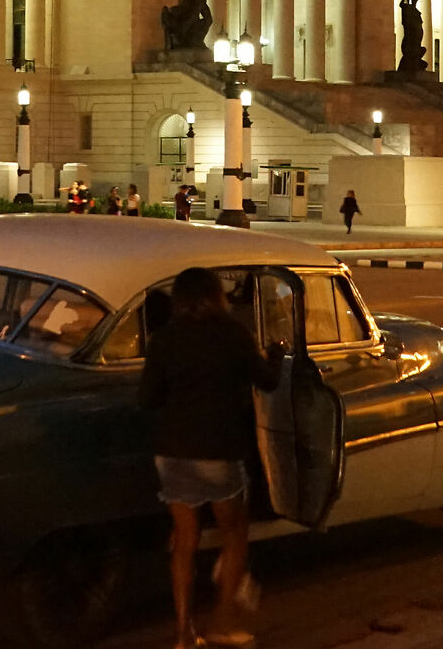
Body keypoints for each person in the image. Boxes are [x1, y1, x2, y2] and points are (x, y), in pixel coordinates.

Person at [139, 266, 284, 649]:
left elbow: (147, 399)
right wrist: (279, 357)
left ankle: (184, 634)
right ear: (215, 295)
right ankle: (222, 623)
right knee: (235, 533)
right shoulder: (233, 334)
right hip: (218, 449)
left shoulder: (164, 339)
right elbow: (267, 381)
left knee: (184, 541)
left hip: (172, 451)